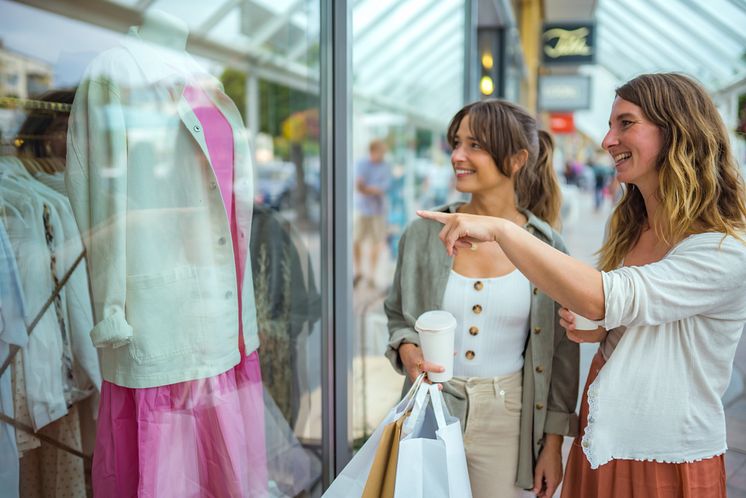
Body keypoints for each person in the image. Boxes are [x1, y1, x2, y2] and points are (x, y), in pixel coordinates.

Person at [418, 73, 746, 497]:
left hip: (665, 453)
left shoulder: (723, 249)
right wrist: (604, 331)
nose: (608, 140)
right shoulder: (635, 226)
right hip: (601, 438)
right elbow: (638, 319)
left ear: (678, 132)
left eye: (625, 123)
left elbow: (607, 295)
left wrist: (501, 230)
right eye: (610, 125)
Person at [385, 99, 579, 498]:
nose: (458, 155)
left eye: (475, 145)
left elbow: (561, 353)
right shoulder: (423, 235)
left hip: (510, 419)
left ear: (516, 158)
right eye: (456, 143)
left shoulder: (545, 246)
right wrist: (406, 346)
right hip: (432, 410)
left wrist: (554, 444)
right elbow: (397, 315)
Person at [353, 139, 391, 287]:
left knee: (377, 242)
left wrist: (367, 189)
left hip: (378, 211)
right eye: (379, 152)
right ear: (372, 151)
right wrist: (371, 189)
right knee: (357, 240)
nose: (381, 155)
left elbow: (382, 188)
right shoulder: (362, 164)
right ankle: (358, 271)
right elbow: (359, 186)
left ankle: (371, 274)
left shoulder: (385, 166)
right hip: (363, 209)